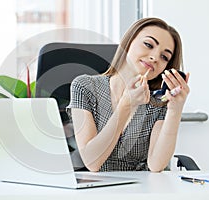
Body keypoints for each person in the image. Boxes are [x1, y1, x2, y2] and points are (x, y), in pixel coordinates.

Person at [67, 17, 190, 172]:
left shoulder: (158, 101)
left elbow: (156, 165)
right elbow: (92, 162)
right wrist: (126, 104)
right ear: (129, 41)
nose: (154, 58)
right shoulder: (85, 86)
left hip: (141, 190)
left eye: (164, 57)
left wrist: (175, 110)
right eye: (148, 44)